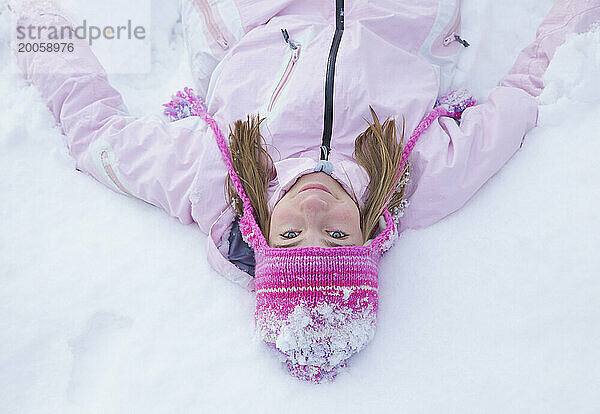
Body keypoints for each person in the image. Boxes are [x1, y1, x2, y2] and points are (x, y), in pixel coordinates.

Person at [8, 0, 600, 382]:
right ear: (370, 234)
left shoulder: (210, 175)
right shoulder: (421, 177)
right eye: (335, 233)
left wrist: (33, 25)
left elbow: (94, 136)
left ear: (259, 232)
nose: (314, 210)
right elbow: (527, 89)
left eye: (291, 234)